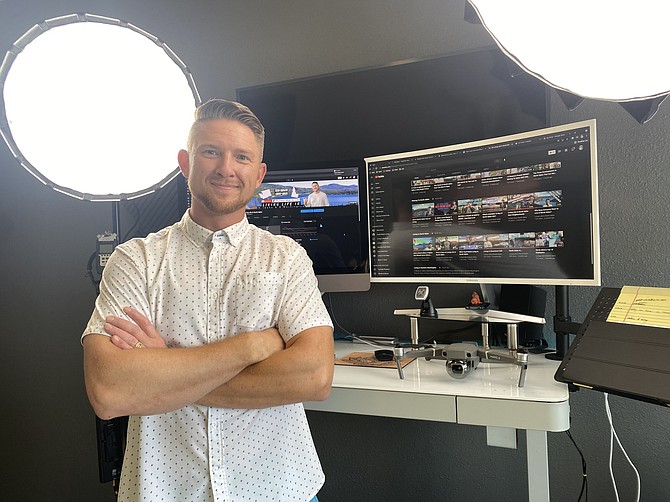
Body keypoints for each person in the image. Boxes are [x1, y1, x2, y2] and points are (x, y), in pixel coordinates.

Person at [82, 99, 334, 502]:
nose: (226, 168)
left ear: (259, 174)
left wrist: (164, 371)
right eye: (211, 152)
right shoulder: (135, 260)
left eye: (242, 157)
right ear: (185, 161)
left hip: (279, 487)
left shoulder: (286, 258)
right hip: (165, 490)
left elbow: (314, 377)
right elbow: (111, 391)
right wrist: (253, 345)